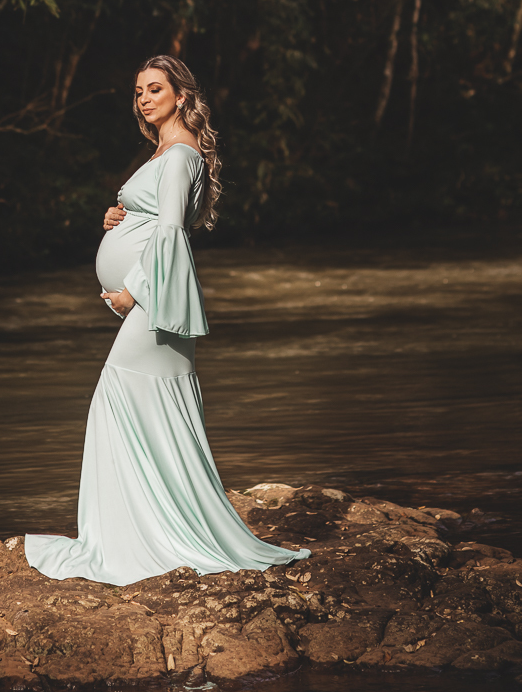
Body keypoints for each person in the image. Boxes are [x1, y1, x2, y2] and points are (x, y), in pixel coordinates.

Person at [24, 54, 310, 586]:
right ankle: (147, 529)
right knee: (148, 411)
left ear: (181, 95)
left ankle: (144, 538)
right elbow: (159, 217)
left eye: (155, 88)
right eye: (138, 91)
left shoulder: (179, 154)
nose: (144, 98)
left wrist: (133, 290)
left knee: (122, 401)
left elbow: (173, 232)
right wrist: (120, 216)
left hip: (153, 299)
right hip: (154, 295)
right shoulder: (166, 152)